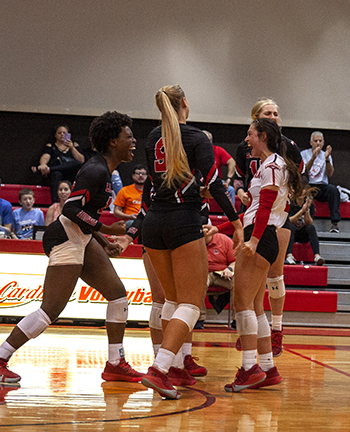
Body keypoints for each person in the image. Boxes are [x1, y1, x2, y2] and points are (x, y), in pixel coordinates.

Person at [0, 111, 141, 384]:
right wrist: (106, 230)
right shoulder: (96, 169)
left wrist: (101, 240)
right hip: (65, 236)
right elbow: (72, 209)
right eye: (129, 136)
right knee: (50, 310)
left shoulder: (105, 169)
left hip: (82, 237)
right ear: (113, 141)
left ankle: (115, 363)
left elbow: (84, 212)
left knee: (117, 295)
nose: (134, 141)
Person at [115, 85, 242, 400]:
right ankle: (159, 369)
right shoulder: (197, 138)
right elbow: (212, 183)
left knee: (171, 301)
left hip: (154, 223)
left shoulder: (151, 138)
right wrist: (236, 221)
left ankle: (170, 364)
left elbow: (157, 188)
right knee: (190, 302)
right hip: (183, 222)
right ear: (185, 103)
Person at [208, 117, 303, 392]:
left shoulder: (272, 165)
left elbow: (265, 209)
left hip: (262, 237)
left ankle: (249, 369)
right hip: (261, 235)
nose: (246, 140)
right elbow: (252, 213)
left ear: (262, 136)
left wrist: (254, 240)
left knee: (242, 303)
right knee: (255, 305)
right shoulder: (268, 165)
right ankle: (268, 368)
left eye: (250, 135)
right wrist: (219, 227)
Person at [234, 98, 303, 357]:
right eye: (268, 113)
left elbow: (296, 178)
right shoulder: (246, 147)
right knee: (255, 279)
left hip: (277, 214)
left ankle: (276, 329)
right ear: (256, 118)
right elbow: (241, 178)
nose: (274, 116)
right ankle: (256, 333)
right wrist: (241, 191)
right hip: (254, 210)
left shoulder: (287, 149)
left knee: (274, 272)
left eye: (276, 112)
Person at [300, 131, 341, 233]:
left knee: (333, 190)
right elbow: (303, 171)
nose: (318, 143)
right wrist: (313, 157)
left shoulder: (326, 155)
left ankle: (334, 223)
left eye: (320, 141)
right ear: (311, 142)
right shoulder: (304, 154)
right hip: (308, 185)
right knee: (301, 190)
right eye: (315, 141)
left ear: (323, 143)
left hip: (322, 186)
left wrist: (327, 159)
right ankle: (303, 221)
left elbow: (330, 173)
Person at [33, 125, 86, 203]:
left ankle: (50, 169)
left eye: (64, 133)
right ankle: (55, 203)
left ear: (69, 135)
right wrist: (43, 165)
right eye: (59, 133)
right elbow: (45, 156)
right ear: (55, 135)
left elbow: (81, 161)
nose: (62, 134)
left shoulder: (74, 145)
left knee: (76, 163)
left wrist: (71, 148)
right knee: (56, 174)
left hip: (71, 174)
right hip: (57, 175)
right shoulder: (51, 146)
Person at [285, 186, 325, 266]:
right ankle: (289, 255)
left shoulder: (310, 203)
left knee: (311, 228)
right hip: (291, 233)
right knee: (291, 226)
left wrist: (306, 210)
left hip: (303, 235)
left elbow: (309, 222)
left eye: (302, 189)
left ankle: (317, 256)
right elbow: (288, 220)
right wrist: (301, 211)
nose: (300, 191)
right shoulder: (290, 203)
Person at [203, 130, 237, 208]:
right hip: (201, 182)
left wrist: (228, 178)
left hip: (216, 182)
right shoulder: (196, 151)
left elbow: (232, 162)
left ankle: (230, 217)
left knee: (230, 190)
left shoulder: (217, 150)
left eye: (207, 140)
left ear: (211, 142)